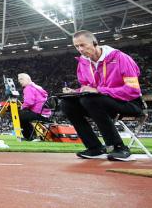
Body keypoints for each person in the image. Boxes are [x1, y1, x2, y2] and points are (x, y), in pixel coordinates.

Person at [60, 30, 143, 161]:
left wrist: (99, 90)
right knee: (66, 103)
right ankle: (95, 148)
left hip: (131, 103)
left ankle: (119, 147)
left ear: (94, 43)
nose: (80, 49)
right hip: (100, 103)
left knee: (90, 100)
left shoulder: (120, 58)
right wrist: (75, 92)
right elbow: (87, 88)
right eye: (77, 46)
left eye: (83, 45)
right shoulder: (83, 62)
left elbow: (132, 90)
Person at [17, 73, 51, 141]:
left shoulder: (28, 88)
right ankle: (32, 135)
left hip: (39, 114)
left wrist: (22, 107)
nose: (20, 81)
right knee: (24, 115)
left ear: (28, 79)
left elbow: (29, 102)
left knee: (18, 115)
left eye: (21, 79)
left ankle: (29, 136)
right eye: (18, 80)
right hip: (46, 114)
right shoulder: (38, 87)